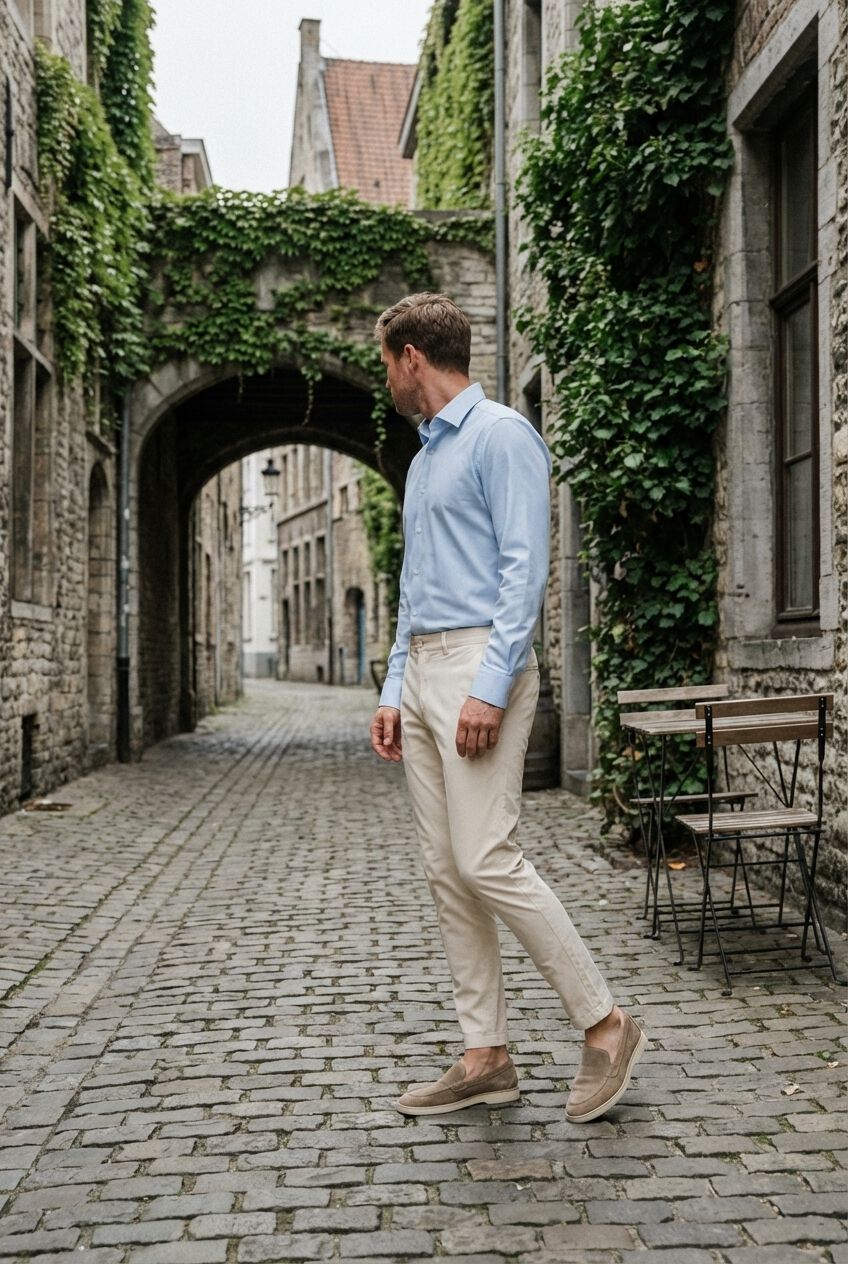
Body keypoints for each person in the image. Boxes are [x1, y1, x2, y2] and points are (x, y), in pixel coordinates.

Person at [369, 293, 646, 1122]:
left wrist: (489, 686)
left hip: (478, 664)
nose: (387, 380)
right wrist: (393, 686)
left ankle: (606, 1023)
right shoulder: (424, 459)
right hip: (423, 670)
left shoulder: (502, 436)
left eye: (387, 364)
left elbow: (525, 571)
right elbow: (414, 586)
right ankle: (485, 1055)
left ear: (413, 356)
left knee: (487, 856)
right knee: (446, 868)